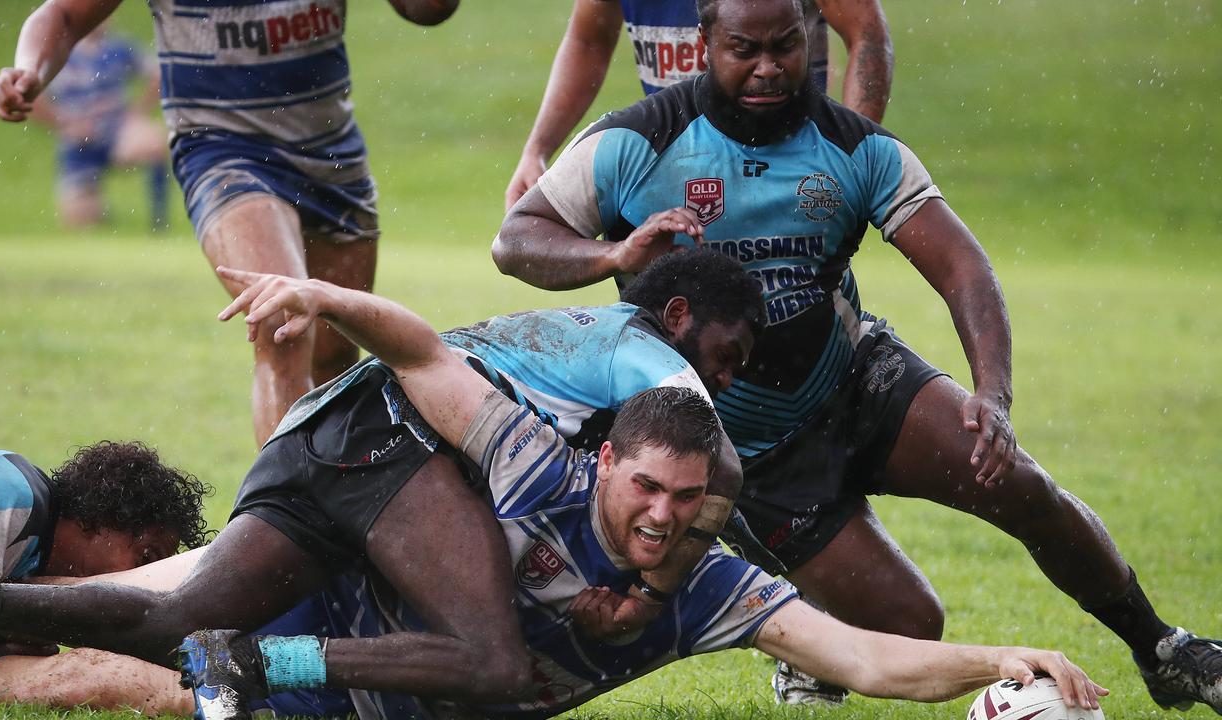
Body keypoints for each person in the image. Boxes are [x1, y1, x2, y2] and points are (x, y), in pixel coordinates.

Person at [490, 0, 1222, 713]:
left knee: (1020, 484)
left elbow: (964, 269)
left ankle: (1164, 651)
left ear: (809, 33)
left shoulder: (855, 148)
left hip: (854, 379)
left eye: (785, 44)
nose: (770, 68)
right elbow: (517, 238)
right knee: (910, 624)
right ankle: (794, 606)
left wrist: (992, 395)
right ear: (705, 39)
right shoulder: (634, 143)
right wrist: (613, 252)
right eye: (745, 49)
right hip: (752, 449)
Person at [175, 267, 1106, 719]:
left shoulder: (710, 589)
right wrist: (320, 299)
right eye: (648, 486)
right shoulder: (538, 463)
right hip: (311, 612)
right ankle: (33, 582)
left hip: (389, 691)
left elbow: (865, 658)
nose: (663, 513)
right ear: (611, 460)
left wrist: (1002, 659)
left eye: (688, 499)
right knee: (123, 651)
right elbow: (425, 353)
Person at [0, 252, 766, 715]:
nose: (722, 382)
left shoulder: (594, 409)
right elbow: (718, 459)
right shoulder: (647, 361)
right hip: (383, 460)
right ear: (679, 317)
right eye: (724, 358)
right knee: (487, 663)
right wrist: (655, 595)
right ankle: (260, 664)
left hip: (346, 453)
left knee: (182, 621)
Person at [0, 0, 460, 447]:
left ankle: (340, 499)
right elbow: (66, 15)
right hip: (221, 151)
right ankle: (291, 521)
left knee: (336, 358)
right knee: (281, 324)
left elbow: (429, 10)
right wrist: (29, 70)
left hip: (331, 157)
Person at [505, 0, 891, 210]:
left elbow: (867, 35)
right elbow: (589, 42)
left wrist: (848, 158)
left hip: (794, 172)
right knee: (682, 324)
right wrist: (536, 149)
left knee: (800, 318)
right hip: (678, 172)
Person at [0, 441, 210, 708]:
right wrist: (2, 643)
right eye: (146, 558)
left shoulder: (32, 553)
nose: (141, 579)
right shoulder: (12, 494)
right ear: (104, 519)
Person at [28, 22, 169, 230]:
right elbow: (30, 96)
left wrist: (136, 112)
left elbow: (159, 76)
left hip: (117, 133)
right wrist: (64, 123)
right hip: (78, 145)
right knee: (82, 223)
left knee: (155, 142)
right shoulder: (57, 52)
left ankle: (158, 223)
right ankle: (98, 209)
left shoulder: (119, 47)